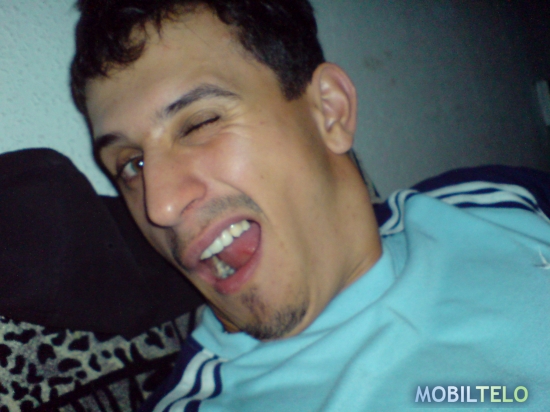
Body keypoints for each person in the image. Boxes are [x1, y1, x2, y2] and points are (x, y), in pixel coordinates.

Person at [70, 0, 550, 410]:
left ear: (329, 110)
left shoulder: (498, 201)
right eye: (131, 165)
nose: (161, 206)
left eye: (199, 123)